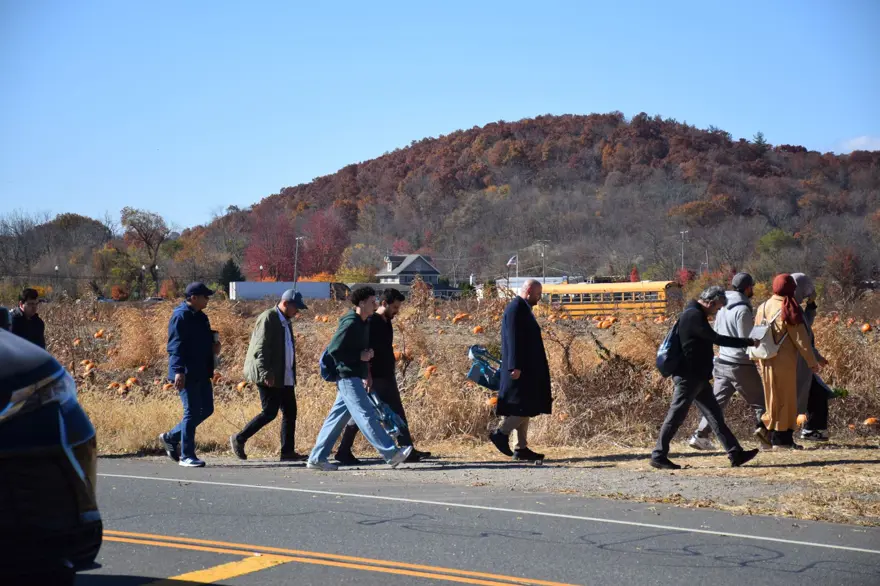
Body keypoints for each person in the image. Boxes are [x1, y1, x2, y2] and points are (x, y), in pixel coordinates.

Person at [651, 286, 761, 470]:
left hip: (698, 377)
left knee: (715, 416)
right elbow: (716, 338)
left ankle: (735, 453)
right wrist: (746, 341)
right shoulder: (693, 315)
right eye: (717, 308)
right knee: (676, 416)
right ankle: (658, 455)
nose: (716, 312)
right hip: (689, 377)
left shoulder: (694, 314)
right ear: (710, 302)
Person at [307, 286, 412, 471]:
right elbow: (334, 350)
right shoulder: (350, 323)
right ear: (362, 303)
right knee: (366, 415)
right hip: (347, 376)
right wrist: (360, 356)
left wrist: (365, 371)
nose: (375, 305)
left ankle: (316, 458)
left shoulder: (364, 322)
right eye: (372, 302)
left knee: (336, 419)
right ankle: (390, 453)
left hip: (355, 375)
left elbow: (360, 352)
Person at [334, 288, 431, 465]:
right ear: (384, 304)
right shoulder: (373, 322)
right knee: (371, 413)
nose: (397, 311)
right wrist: (367, 375)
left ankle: (344, 451)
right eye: (394, 307)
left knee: (373, 412)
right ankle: (404, 449)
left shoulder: (386, 321)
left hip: (386, 373)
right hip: (375, 375)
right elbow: (365, 348)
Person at [688, 273, 770, 451]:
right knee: (761, 402)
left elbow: (716, 332)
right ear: (748, 288)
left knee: (716, 403)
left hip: (722, 361)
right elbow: (746, 338)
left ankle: (700, 436)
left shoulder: (721, 305)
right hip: (740, 364)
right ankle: (766, 437)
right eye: (752, 287)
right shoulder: (743, 309)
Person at [230, 289, 309, 462]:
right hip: (270, 374)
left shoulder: (286, 321)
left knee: (290, 412)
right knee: (269, 412)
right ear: (286, 303)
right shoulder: (269, 318)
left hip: (284, 375)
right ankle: (239, 438)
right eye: (296, 308)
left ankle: (287, 452)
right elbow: (261, 348)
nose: (298, 312)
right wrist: (266, 372)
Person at [754, 274, 821, 449]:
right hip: (784, 360)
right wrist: (812, 361)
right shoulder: (789, 306)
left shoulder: (764, 306)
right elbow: (801, 338)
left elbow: (756, 333)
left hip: (765, 357)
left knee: (772, 398)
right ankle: (782, 440)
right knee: (786, 400)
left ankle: (766, 430)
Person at [489, 279, 552, 462]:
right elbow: (513, 338)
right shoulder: (516, 308)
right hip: (519, 368)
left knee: (524, 406)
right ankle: (501, 433)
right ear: (529, 290)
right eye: (538, 294)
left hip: (525, 368)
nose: (539, 299)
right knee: (525, 406)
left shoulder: (522, 308)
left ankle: (521, 448)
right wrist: (514, 366)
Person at [158, 282, 220, 468]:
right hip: (186, 371)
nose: (208, 299)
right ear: (193, 297)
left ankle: (171, 437)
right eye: (205, 296)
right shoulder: (180, 316)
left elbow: (205, 342)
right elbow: (175, 346)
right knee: (191, 412)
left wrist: (214, 348)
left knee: (207, 409)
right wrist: (178, 371)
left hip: (202, 370)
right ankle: (187, 455)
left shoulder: (202, 317)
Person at [791, 273, 831, 442]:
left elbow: (807, 322)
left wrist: (812, 304)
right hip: (798, 361)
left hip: (801, 361)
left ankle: (812, 429)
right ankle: (812, 430)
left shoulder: (795, 307)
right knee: (817, 393)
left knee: (815, 393)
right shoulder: (790, 309)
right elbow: (803, 339)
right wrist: (817, 357)